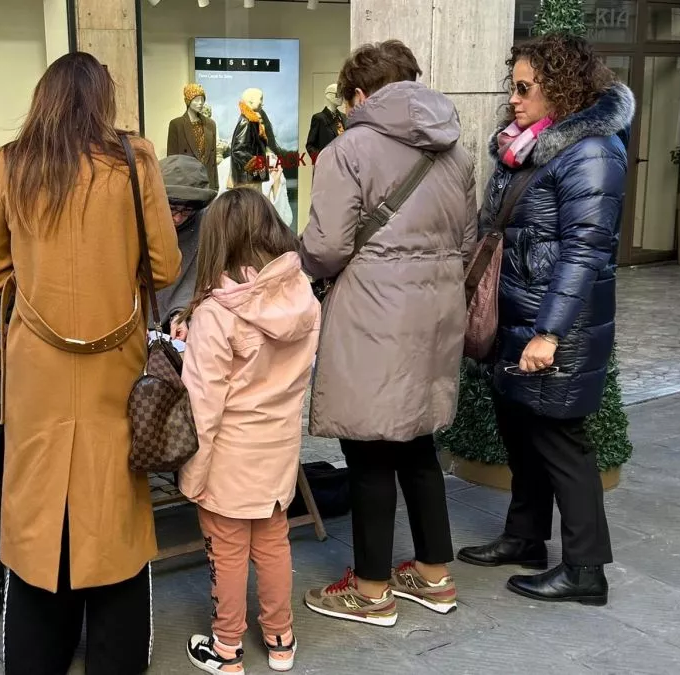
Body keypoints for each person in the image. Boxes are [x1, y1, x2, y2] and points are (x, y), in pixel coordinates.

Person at [0, 52, 181, 674]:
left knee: (39, 509)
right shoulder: (133, 159)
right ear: (103, 99)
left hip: (37, 370)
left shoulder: (10, 163)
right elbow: (166, 267)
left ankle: (37, 657)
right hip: (114, 361)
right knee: (114, 512)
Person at [298, 40, 477, 626]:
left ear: (358, 94)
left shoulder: (347, 150)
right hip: (437, 313)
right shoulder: (457, 152)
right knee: (418, 445)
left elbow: (325, 248)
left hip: (374, 313)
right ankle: (434, 575)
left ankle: (372, 591)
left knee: (369, 449)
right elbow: (468, 241)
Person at [456, 34, 632, 607]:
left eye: (524, 88)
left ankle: (586, 570)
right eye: (512, 86)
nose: (513, 98)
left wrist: (549, 333)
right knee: (522, 431)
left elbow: (584, 251)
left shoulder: (591, 152)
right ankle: (525, 538)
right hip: (518, 314)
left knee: (562, 440)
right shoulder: (529, 145)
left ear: (560, 88)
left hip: (554, 325)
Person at [178, 188, 319, 674]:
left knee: (228, 549)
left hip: (227, 456)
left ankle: (226, 648)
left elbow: (203, 406)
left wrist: (192, 474)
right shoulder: (304, 298)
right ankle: (281, 640)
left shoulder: (216, 314)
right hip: (278, 446)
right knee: (274, 541)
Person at [156, 154, 217, 339]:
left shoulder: (204, 222)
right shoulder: (140, 219)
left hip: (186, 319)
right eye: (172, 208)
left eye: (186, 210)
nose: (177, 217)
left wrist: (182, 314)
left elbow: (198, 277)